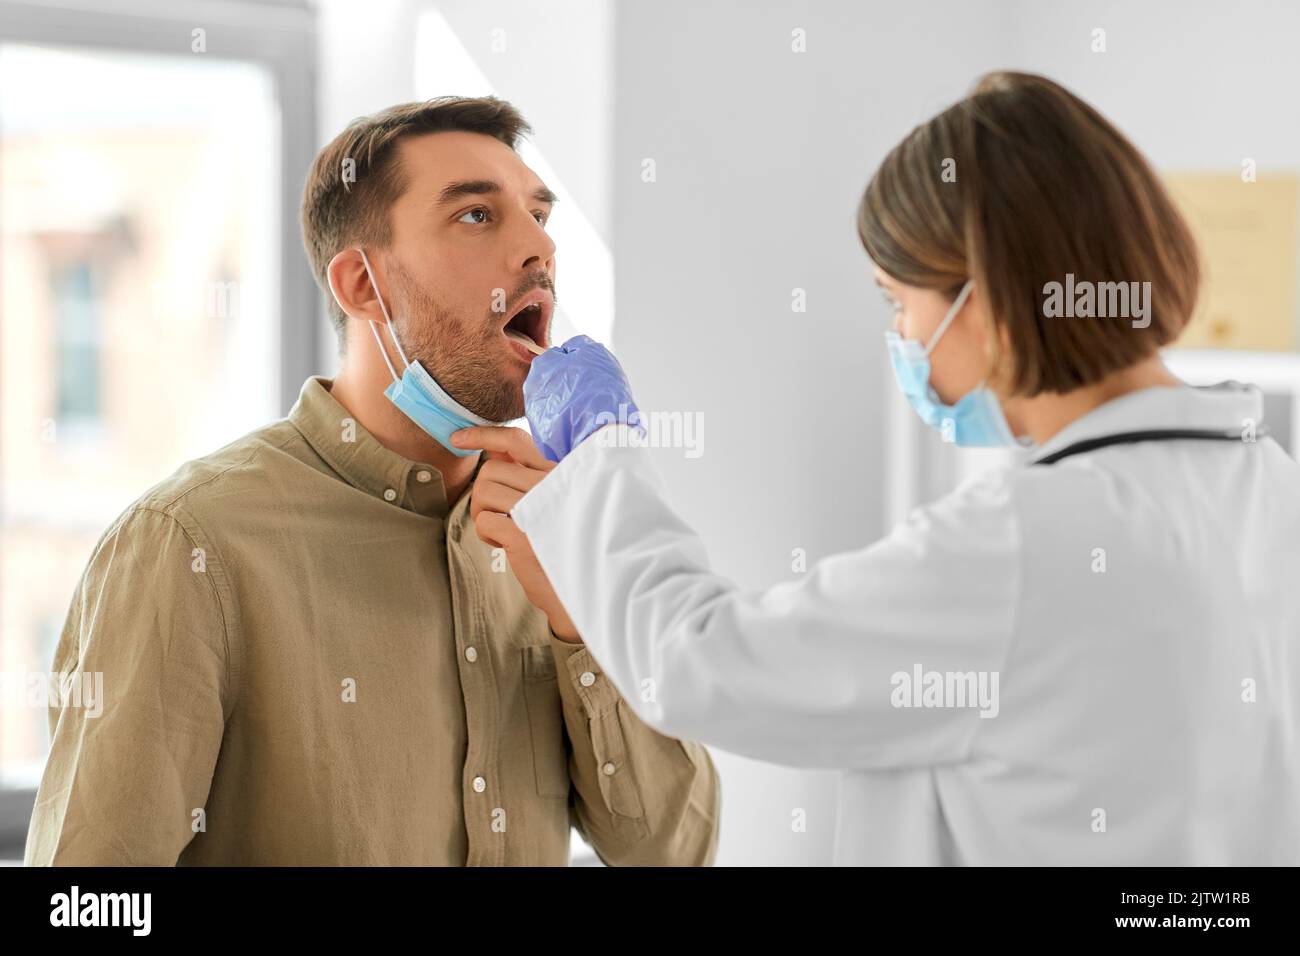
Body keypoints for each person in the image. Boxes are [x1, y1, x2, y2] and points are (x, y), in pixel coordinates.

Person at [452, 72, 1300, 865]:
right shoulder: (1266, 482)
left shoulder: (1026, 541)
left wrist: (601, 456)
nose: (899, 336)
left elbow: (696, 662)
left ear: (991, 298)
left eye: (900, 302)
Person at [25, 96, 719, 866]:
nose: (537, 248)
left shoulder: (559, 527)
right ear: (361, 285)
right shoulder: (191, 546)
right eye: (477, 217)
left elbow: (672, 847)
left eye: (539, 214)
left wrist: (579, 615)